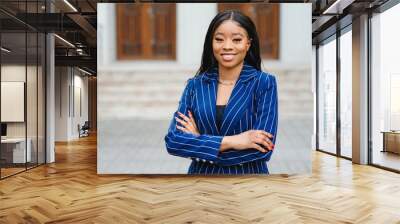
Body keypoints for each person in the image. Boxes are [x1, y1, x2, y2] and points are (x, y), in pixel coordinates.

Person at [164, 10, 278, 174]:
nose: (227, 46)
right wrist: (233, 141)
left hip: (248, 183)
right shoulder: (195, 85)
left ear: (248, 43)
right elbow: (174, 141)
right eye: (219, 39)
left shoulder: (264, 83)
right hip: (201, 183)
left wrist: (198, 141)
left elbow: (262, 149)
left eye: (237, 39)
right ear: (211, 43)